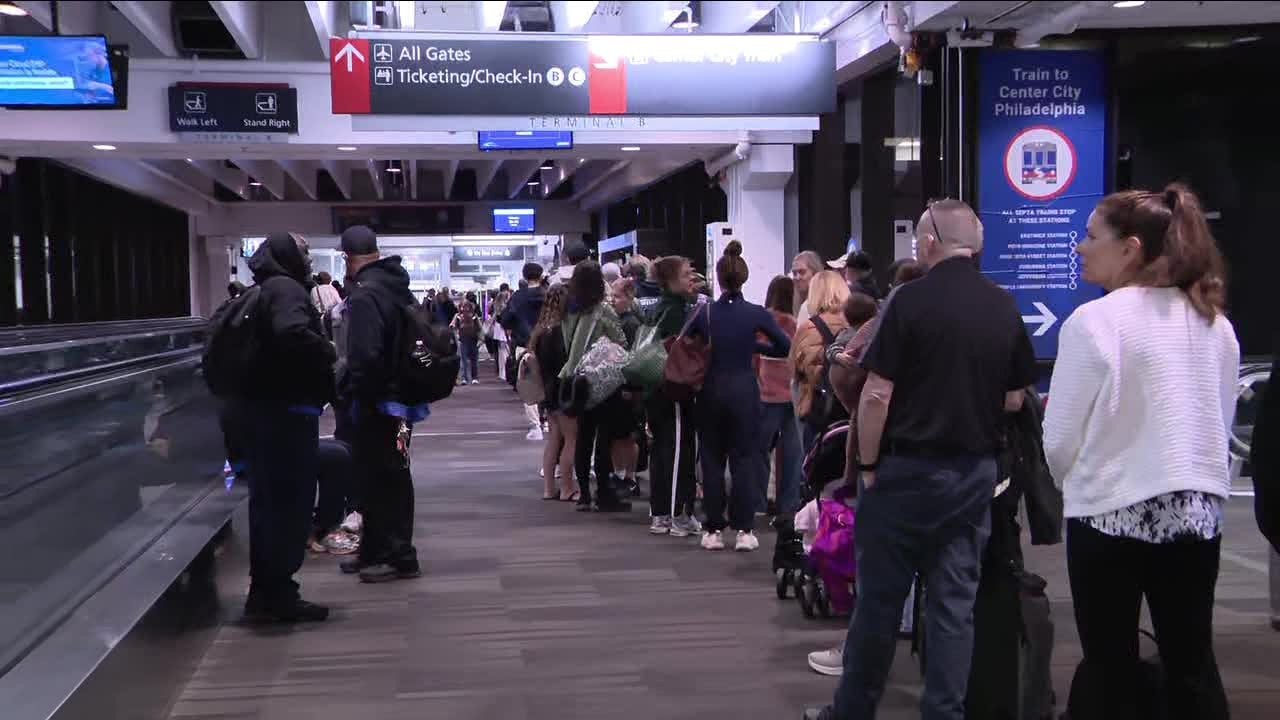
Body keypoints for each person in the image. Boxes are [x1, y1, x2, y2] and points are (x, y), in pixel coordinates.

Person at [804, 199, 1037, 720]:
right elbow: (1015, 398)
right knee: (954, 605)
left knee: (880, 604)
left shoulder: (908, 301)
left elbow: (876, 394)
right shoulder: (1002, 304)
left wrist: (866, 466)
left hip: (902, 474)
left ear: (929, 241)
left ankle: (853, 712)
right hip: (972, 475)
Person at [1044, 184, 1237, 718]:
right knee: (1192, 663)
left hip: (1109, 515)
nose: (1080, 247)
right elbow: (1219, 423)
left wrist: (1075, 483)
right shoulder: (1213, 323)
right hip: (1196, 516)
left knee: (1110, 665)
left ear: (1129, 248)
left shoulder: (1095, 321)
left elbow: (1059, 437)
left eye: (1089, 236)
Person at [240, 232, 336, 623]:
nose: (309, 259)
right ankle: (276, 592)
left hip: (265, 413)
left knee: (270, 504)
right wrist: (326, 350)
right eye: (304, 252)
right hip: (286, 413)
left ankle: (269, 590)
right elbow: (292, 333)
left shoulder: (265, 287)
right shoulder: (286, 290)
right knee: (288, 504)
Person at [336, 225, 426, 584]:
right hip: (404, 403)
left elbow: (365, 355)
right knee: (390, 472)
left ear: (347, 258)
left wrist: (354, 392)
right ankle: (376, 549)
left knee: (385, 476)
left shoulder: (364, 295)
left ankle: (400, 555)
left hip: (378, 404)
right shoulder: (398, 287)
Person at [691, 242, 791, 551]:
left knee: (711, 459)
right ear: (744, 278)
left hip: (710, 390)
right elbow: (784, 348)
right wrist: (754, 347)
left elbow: (688, 346)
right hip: (745, 392)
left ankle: (712, 530)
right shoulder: (755, 314)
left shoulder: (704, 312)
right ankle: (745, 530)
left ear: (718, 279)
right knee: (744, 460)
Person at [560, 260, 632, 513]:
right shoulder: (604, 311)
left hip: (574, 379)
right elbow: (620, 342)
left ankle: (584, 496)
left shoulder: (570, 311)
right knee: (604, 438)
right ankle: (604, 493)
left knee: (582, 437)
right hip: (601, 382)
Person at [646, 256, 701, 537]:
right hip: (673, 389)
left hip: (657, 389)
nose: (691, 277)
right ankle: (677, 514)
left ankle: (662, 513)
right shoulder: (678, 311)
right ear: (669, 280)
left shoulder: (660, 308)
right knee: (678, 450)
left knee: (663, 449)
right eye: (686, 274)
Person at [756, 276, 802, 518]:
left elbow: (753, 359)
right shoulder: (796, 324)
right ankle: (789, 506)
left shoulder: (763, 323)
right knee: (793, 454)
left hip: (766, 395)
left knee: (759, 450)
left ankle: (759, 502)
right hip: (792, 396)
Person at [790, 270, 852, 450]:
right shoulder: (854, 324)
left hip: (817, 409)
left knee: (815, 466)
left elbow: (794, 368)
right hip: (849, 410)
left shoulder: (808, 328)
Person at [530, 285, 580, 501]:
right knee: (571, 439)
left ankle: (549, 488)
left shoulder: (540, 331)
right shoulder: (563, 331)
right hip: (564, 389)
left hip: (547, 390)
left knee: (554, 439)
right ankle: (568, 487)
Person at [502, 262, 548, 439]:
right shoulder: (548, 294)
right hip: (548, 343)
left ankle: (535, 426)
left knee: (529, 384)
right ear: (541, 275)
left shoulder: (517, 297)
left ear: (524, 276)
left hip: (524, 345)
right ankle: (549, 421)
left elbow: (506, 319)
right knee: (549, 381)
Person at [452, 293, 482, 385]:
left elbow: (479, 328)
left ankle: (474, 377)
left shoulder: (474, 316)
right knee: (463, 360)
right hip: (463, 340)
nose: (464, 308)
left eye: (466, 306)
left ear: (470, 307)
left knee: (474, 360)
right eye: (462, 306)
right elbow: (453, 326)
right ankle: (464, 378)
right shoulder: (457, 316)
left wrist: (481, 339)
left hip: (473, 339)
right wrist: (456, 335)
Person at [791, 250, 825, 325]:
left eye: (802, 272)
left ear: (815, 273)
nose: (797, 277)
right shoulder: (799, 304)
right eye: (794, 273)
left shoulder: (826, 302)